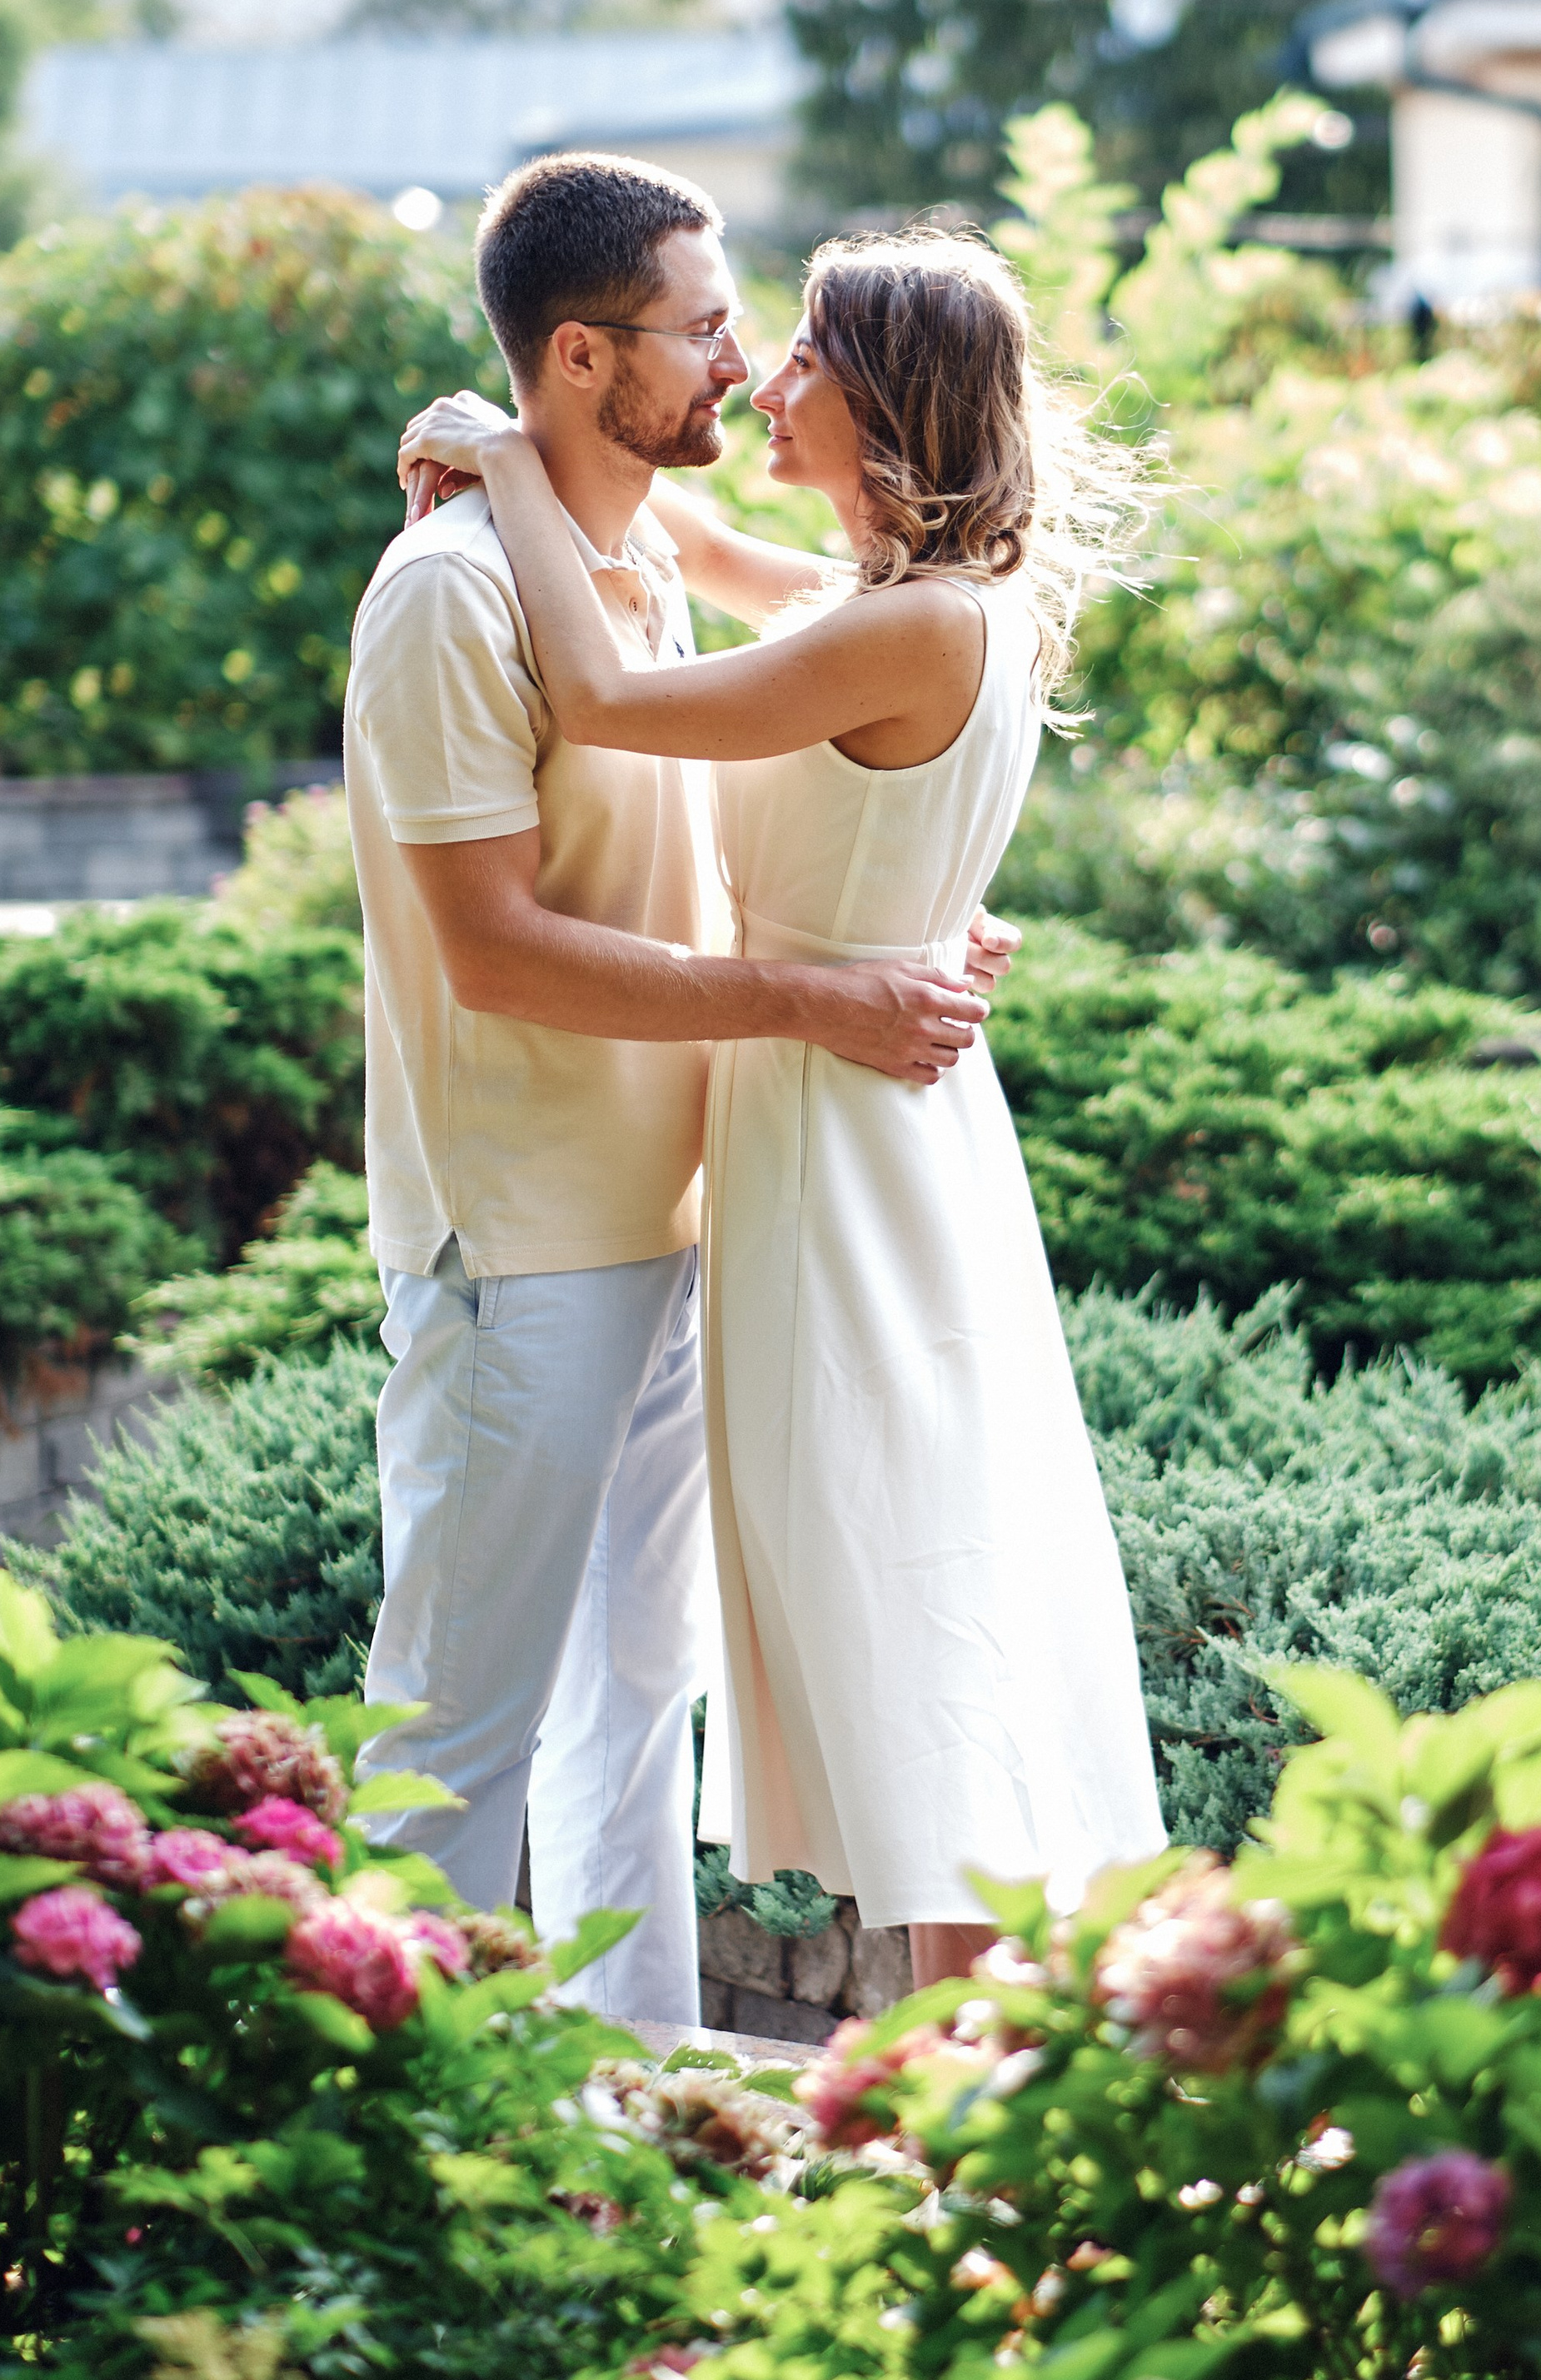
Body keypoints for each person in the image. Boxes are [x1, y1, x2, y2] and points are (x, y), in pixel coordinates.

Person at [396, 227, 1166, 1987]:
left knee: (894, 1573)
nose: (762, 375)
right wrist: (523, 436)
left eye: (804, 351)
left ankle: (954, 2062)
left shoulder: (887, 631)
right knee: (909, 1557)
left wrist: (512, 462)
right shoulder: (918, 601)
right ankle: (964, 2054)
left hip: (836, 1141)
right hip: (880, 1119)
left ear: (888, 399)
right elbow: (698, 541)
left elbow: (600, 696)